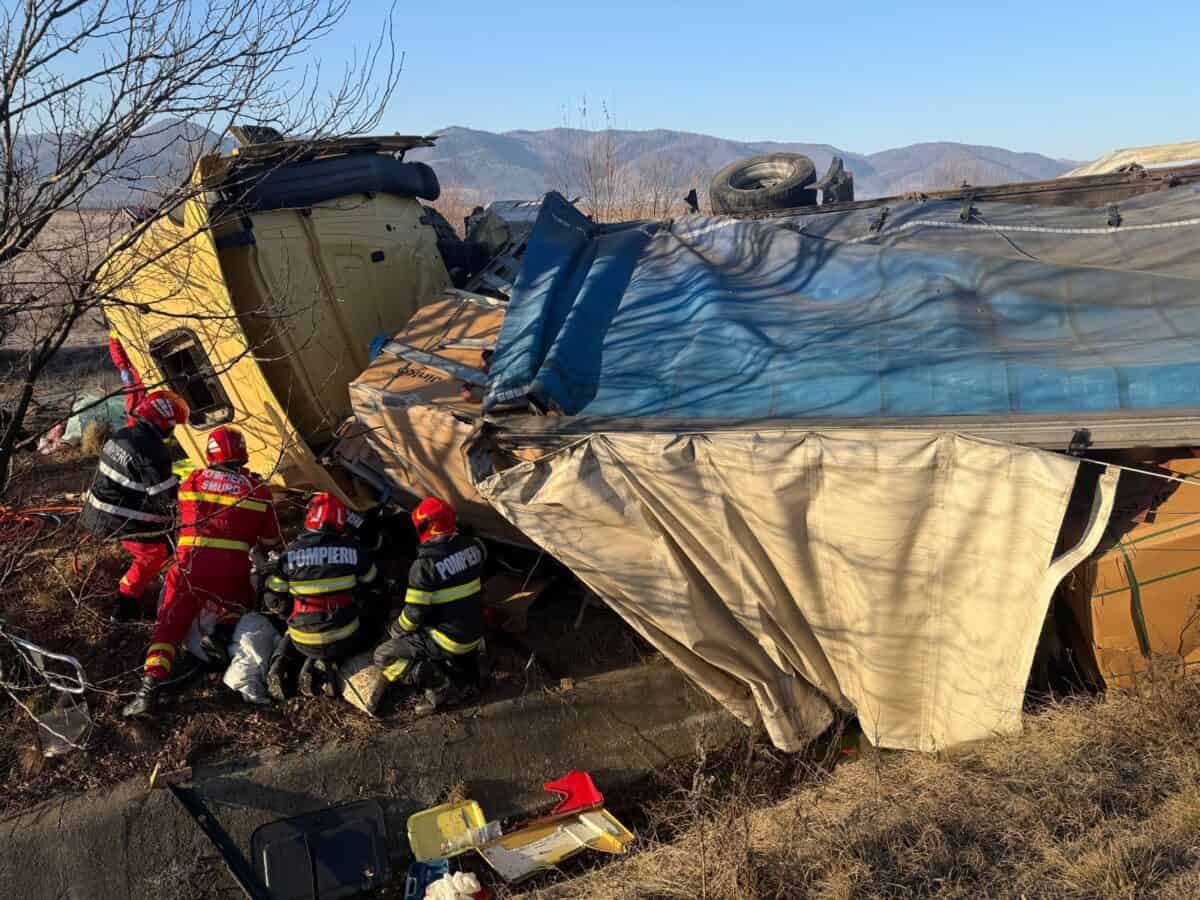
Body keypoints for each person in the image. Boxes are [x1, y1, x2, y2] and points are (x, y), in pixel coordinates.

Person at [122, 425, 280, 717]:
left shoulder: (192, 482)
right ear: (243, 454)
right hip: (232, 570)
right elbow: (272, 542)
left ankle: (148, 690)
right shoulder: (259, 491)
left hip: (189, 567)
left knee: (169, 625)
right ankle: (221, 635)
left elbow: (175, 507)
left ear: (210, 456)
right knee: (241, 603)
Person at [262, 492, 382, 699]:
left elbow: (273, 599)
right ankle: (326, 665)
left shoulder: (289, 554)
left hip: (302, 638)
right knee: (369, 623)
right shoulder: (353, 551)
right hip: (345, 636)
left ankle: (280, 663)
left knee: (295, 628)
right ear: (341, 523)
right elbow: (374, 584)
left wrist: (288, 615)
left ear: (309, 520)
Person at [81, 390, 188, 621]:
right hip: (115, 518)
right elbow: (165, 498)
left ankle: (165, 569)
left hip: (95, 508)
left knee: (166, 537)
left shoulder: (123, 434)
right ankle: (125, 606)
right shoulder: (153, 451)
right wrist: (186, 489)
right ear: (164, 423)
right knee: (154, 553)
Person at [373, 497, 485, 714]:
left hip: (448, 639)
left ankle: (440, 688)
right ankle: (466, 667)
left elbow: (413, 616)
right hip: (476, 632)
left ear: (424, 527)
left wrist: (395, 630)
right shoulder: (475, 547)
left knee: (383, 656)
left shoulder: (424, 566)